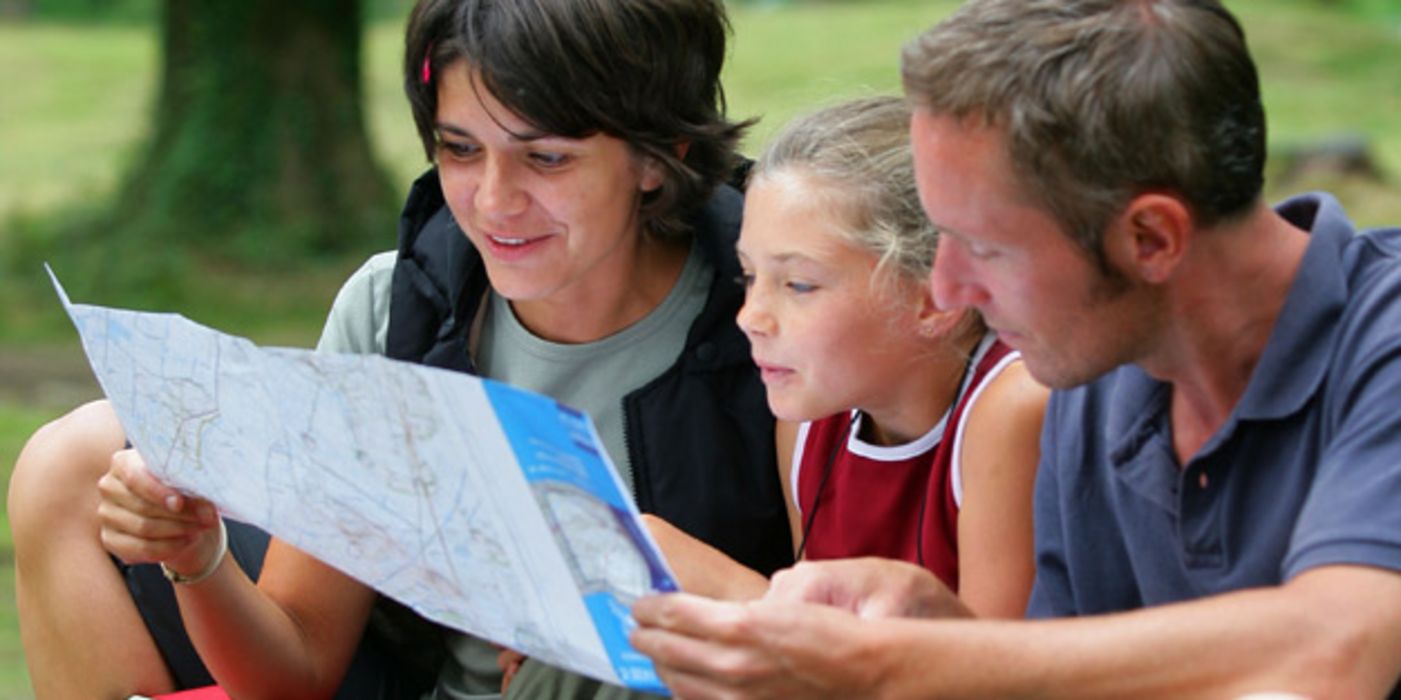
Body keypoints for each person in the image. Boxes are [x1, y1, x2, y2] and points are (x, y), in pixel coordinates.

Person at [8, 0, 795, 698]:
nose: (492, 201)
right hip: (417, 678)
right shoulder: (396, 309)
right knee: (67, 461)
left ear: (662, 158)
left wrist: (650, 575)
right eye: (459, 149)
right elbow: (298, 665)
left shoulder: (776, 318)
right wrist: (197, 555)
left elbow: (849, 654)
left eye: (545, 157)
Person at [629, 0, 1401, 697]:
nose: (951, 289)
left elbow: (1335, 648)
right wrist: (940, 632)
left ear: (1150, 238)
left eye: (980, 246)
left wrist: (892, 664)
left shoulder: (1382, 343)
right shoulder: (1093, 375)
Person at [643, 95, 1046, 619]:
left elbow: (995, 674)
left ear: (936, 296)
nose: (750, 317)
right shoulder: (811, 420)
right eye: (749, 275)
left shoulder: (1011, 409)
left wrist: (728, 590)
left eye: (799, 284)